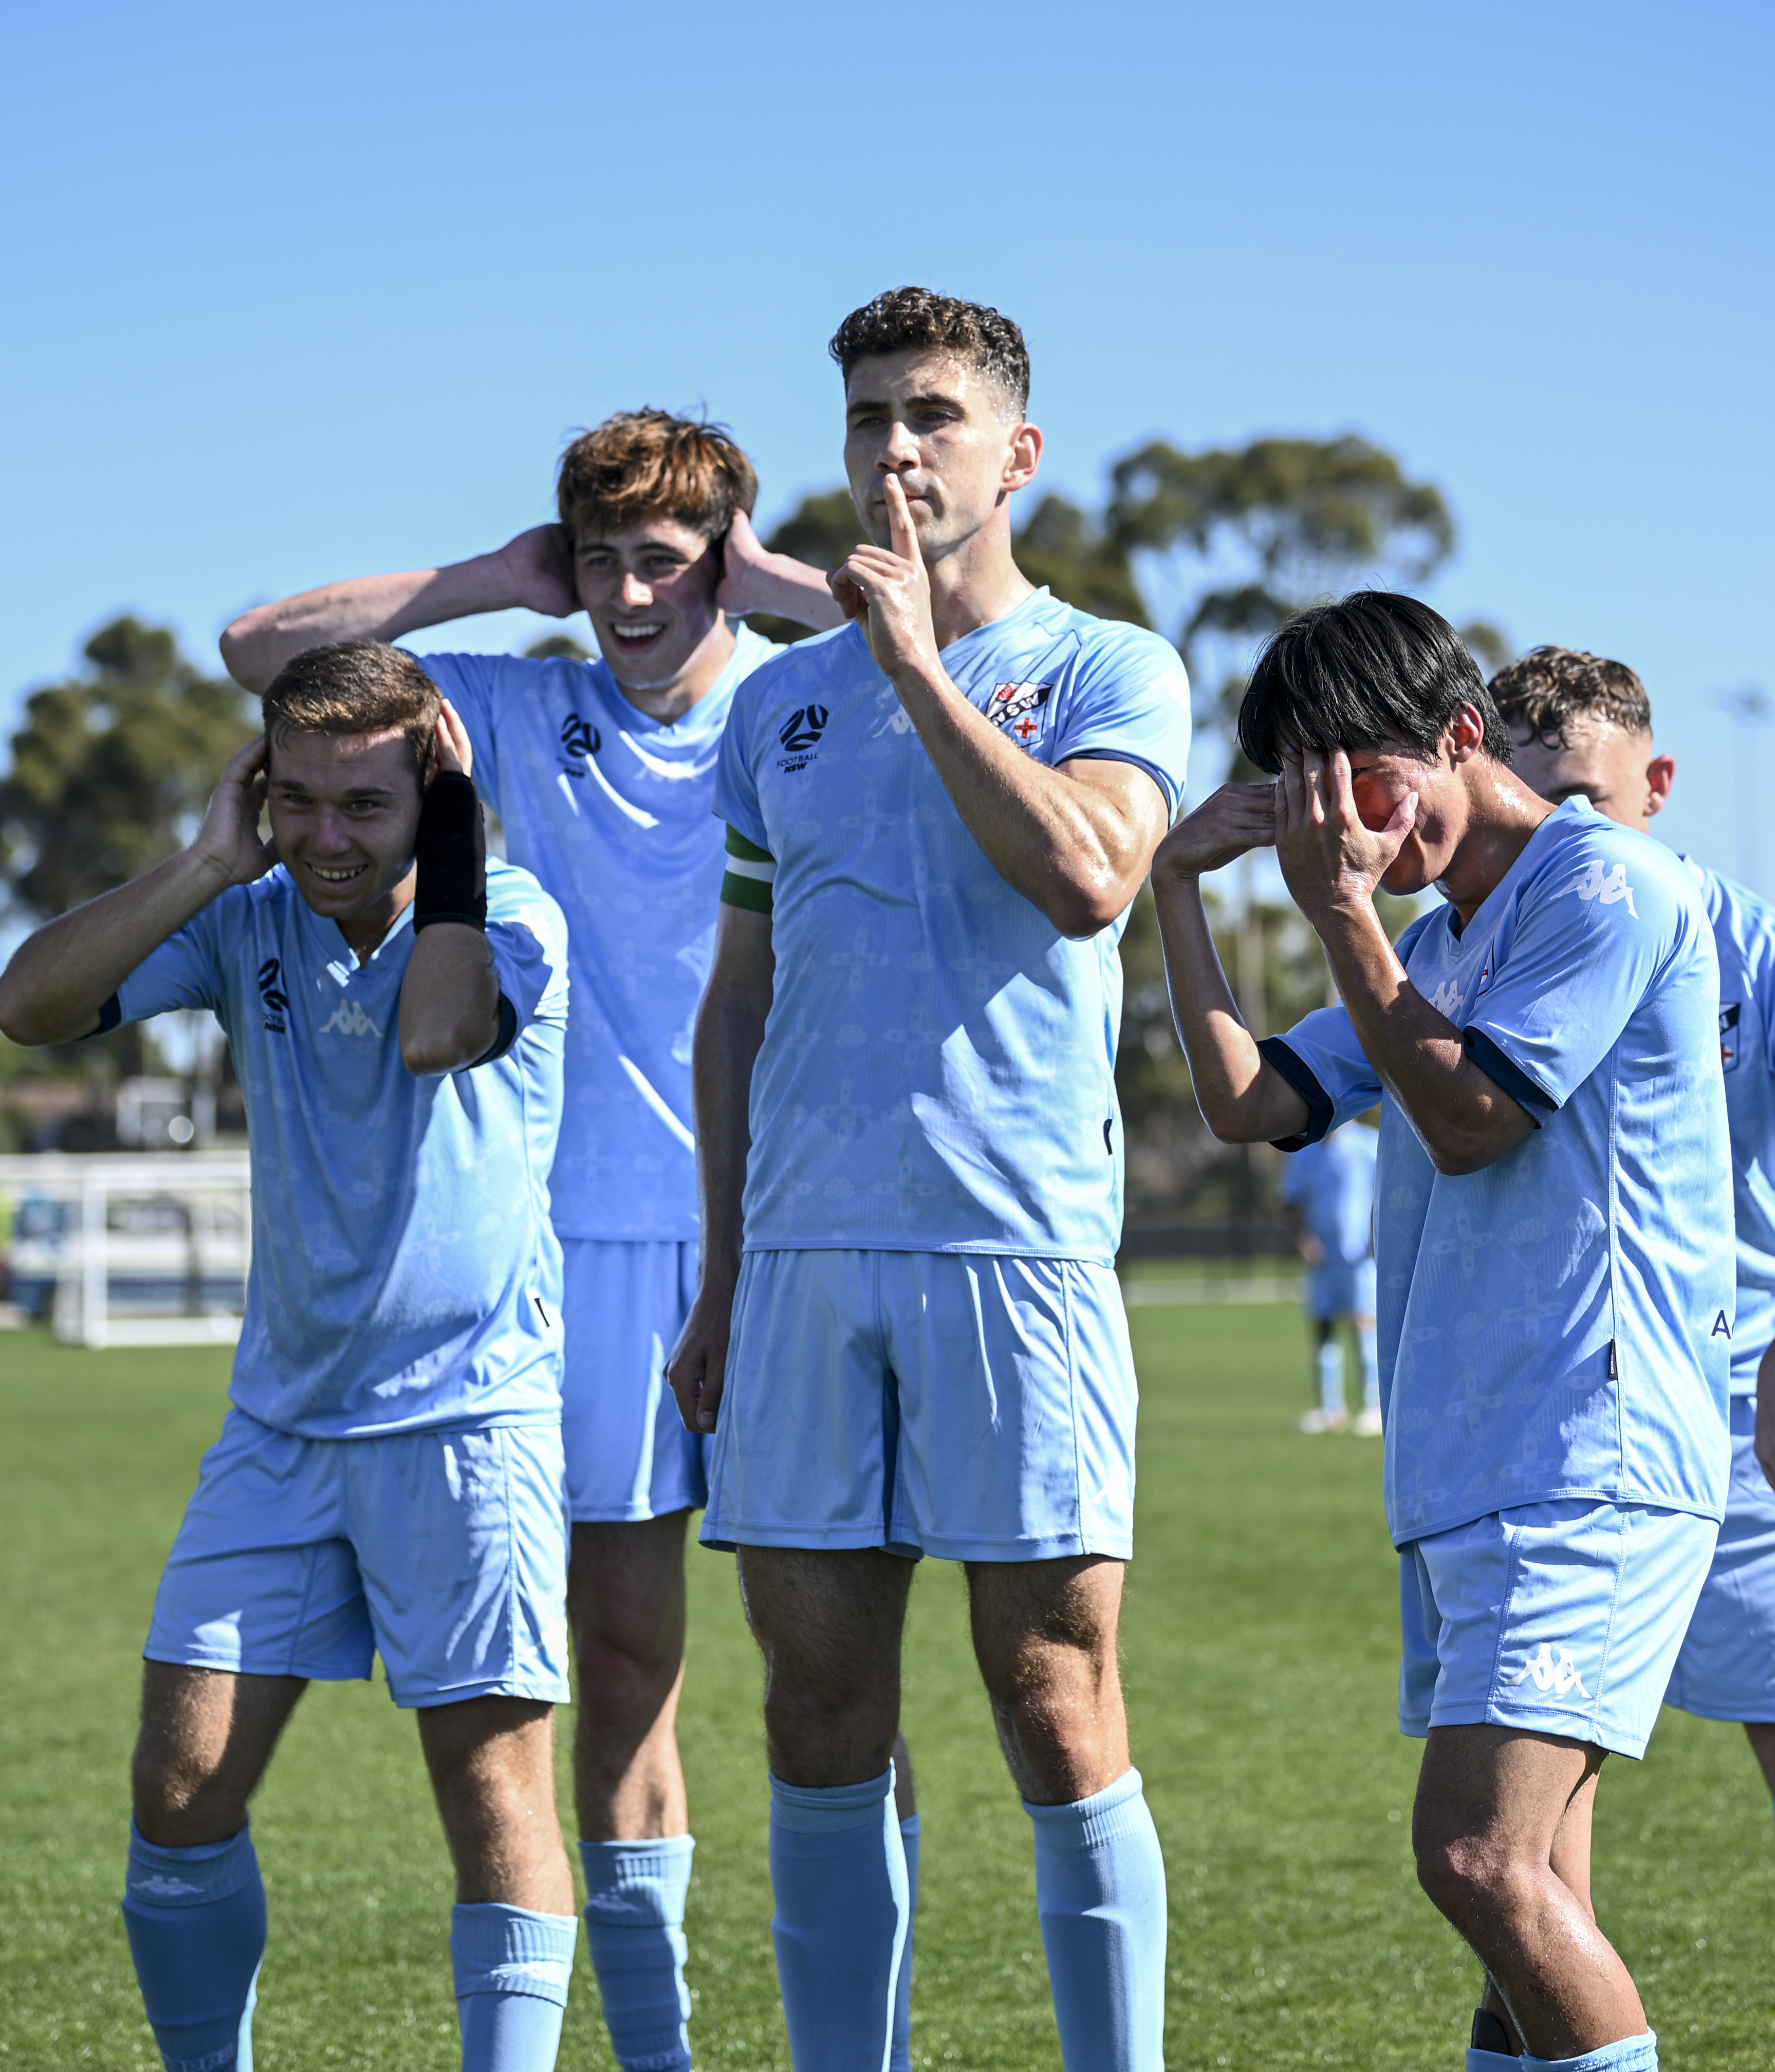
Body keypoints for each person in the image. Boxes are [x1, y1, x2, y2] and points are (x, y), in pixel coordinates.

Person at [219, 412, 851, 2072]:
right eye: (599, 561)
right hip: (580, 1254)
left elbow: (916, 641)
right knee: (624, 1662)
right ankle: (659, 2056)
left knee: (827, 1672)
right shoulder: (509, 699)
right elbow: (256, 653)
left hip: (786, 1236)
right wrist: (491, 581)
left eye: (663, 561)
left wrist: (766, 578)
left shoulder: (797, 701)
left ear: (722, 558)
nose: (627, 595)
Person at [667, 287, 1190, 2072]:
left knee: (1051, 1700)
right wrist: (722, 1278)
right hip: (804, 1267)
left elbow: (1087, 878)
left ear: (1014, 453)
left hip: (1012, 1252)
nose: (895, 449)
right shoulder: (772, 714)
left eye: (933, 416)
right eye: (869, 418)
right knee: (813, 1713)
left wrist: (912, 668)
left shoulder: (1110, 668)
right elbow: (732, 1011)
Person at [1151, 594, 1733, 2072]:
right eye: (1307, 797)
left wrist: (1340, 911)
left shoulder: (1605, 892)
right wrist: (1176, 886)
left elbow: (1473, 1121)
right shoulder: (1439, 934)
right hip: (1474, 1462)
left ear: (1465, 738)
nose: (1341, 826)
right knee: (1528, 1900)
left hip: (1589, 1452)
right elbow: (1251, 1104)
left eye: (1370, 780)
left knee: (1478, 1862)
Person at [0, 642, 578, 2072]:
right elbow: (27, 1007)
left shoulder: (512, 916)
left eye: (365, 806)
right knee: (181, 1781)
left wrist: (448, 837)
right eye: (296, 799)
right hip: (284, 1431)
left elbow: (440, 1032)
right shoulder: (245, 915)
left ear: (431, 797)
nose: (324, 838)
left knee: (491, 1793)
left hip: (469, 1421)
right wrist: (202, 864)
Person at [1495, 647, 1775, 2072]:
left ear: (1659, 786)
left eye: (1582, 798)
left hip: (1739, 1402)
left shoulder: (1750, 939)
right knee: (1538, 1819)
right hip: (1567, 1419)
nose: (1555, 831)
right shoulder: (1484, 940)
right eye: (1528, 798)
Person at [1278, 1116, 1382, 1434]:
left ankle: (1373, 1407)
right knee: (1324, 1328)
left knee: (1364, 1325)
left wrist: (1376, 1240)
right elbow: (1291, 1201)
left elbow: (1387, 1193)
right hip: (1321, 1258)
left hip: (1359, 1255)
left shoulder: (1369, 1143)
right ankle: (1331, 1409)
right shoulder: (1305, 1150)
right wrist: (1304, 1241)